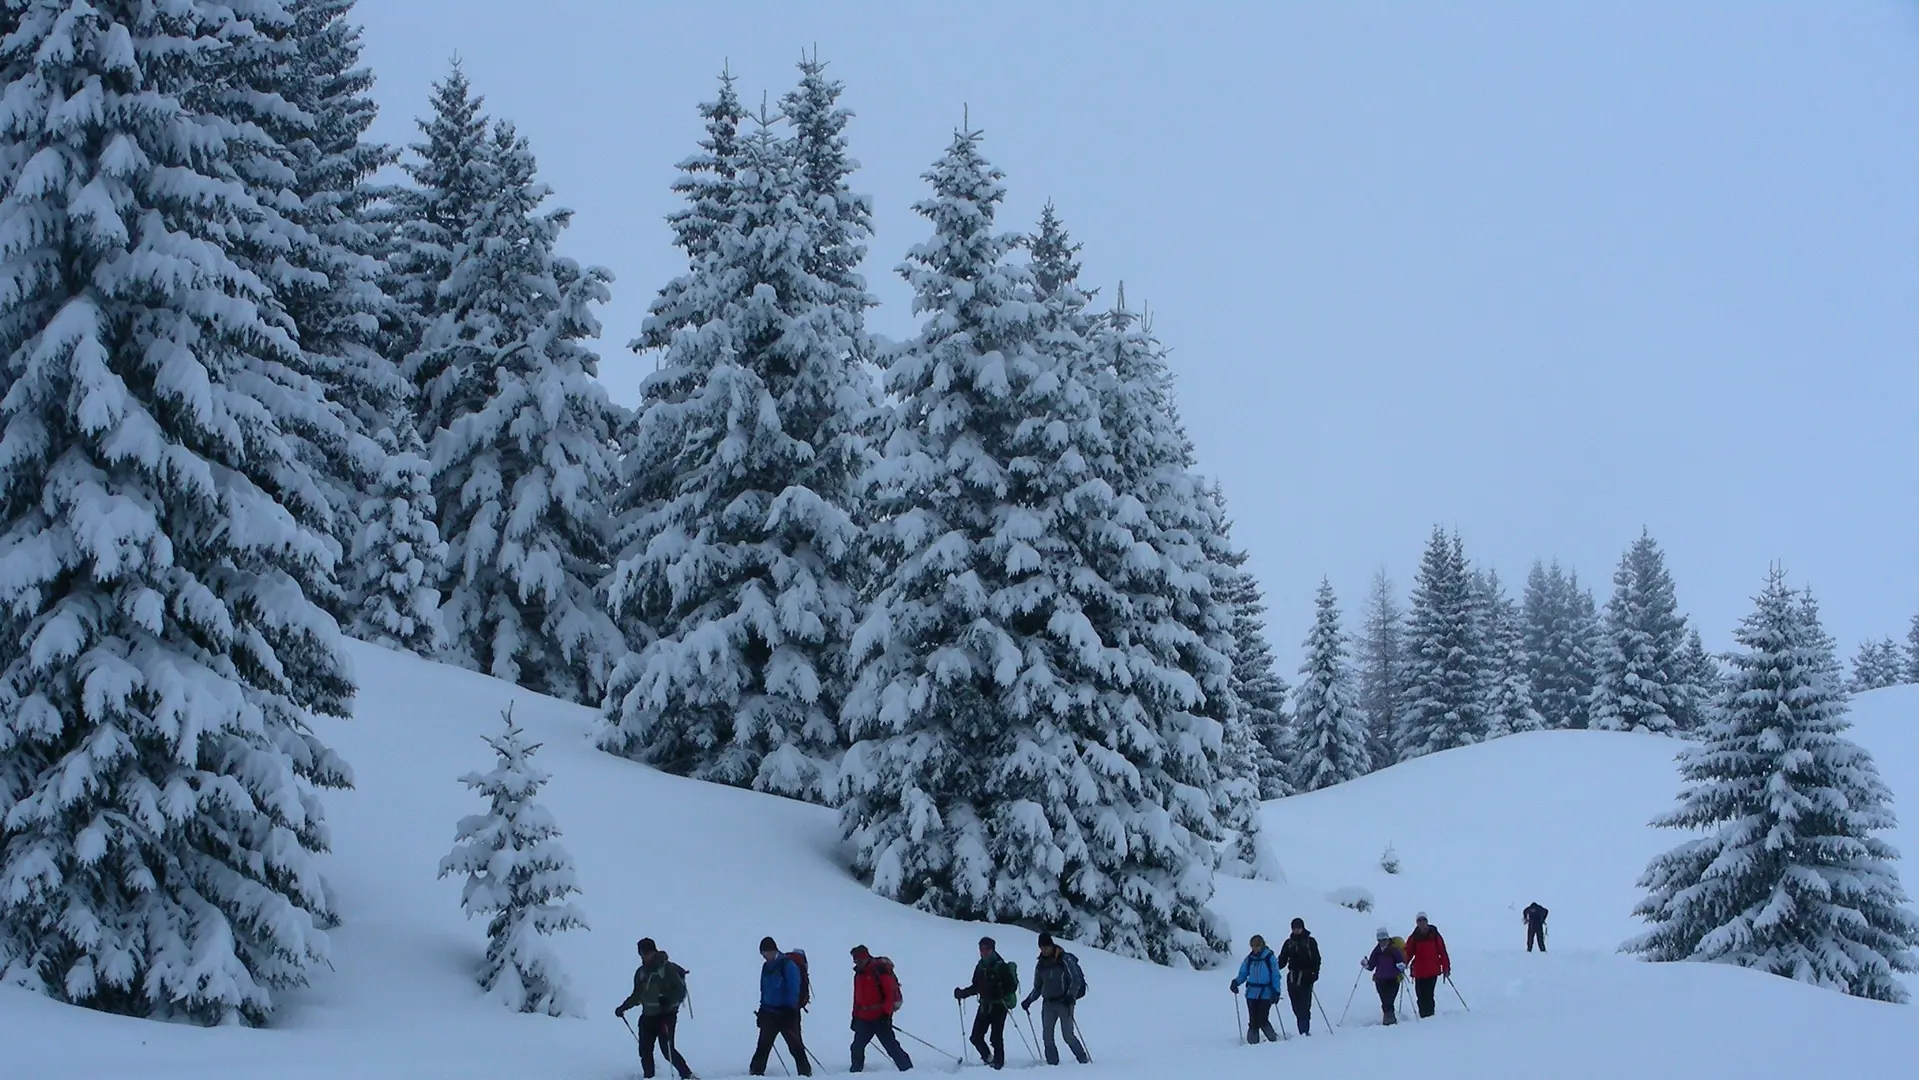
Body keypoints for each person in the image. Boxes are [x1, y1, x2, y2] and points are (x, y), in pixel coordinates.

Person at [614, 938, 695, 1080]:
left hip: (666, 1016)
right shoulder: (641, 972)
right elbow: (638, 995)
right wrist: (624, 1007)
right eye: (642, 953)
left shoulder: (667, 968)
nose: (644, 956)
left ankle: (687, 1075)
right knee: (645, 1050)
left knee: (667, 1050)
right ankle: (649, 1077)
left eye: (647, 953)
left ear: (654, 951)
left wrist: (668, 1000)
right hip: (648, 1016)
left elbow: (680, 991)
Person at [1019, 933, 1089, 1065]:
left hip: (1064, 1003)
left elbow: (1076, 979)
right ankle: (1052, 1065)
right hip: (1048, 1004)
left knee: (1067, 1036)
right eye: (1041, 947)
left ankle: (1082, 1059)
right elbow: (1038, 987)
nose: (1044, 950)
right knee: (1047, 1037)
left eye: (1046, 946)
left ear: (1052, 945)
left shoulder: (1064, 959)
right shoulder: (1041, 964)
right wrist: (1029, 1000)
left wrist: (1070, 996)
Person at [953, 936, 1016, 1070]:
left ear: (992, 949)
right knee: (975, 1037)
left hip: (999, 1005)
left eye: (986, 949)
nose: (983, 952)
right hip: (985, 1005)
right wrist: (963, 993)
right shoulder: (981, 966)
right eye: (981, 949)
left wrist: (999, 988)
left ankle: (998, 1065)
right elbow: (976, 986)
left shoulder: (1001, 966)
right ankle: (989, 1059)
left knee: (996, 1037)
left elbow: (1012, 986)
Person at [752, 936, 811, 1077]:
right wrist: (762, 1009)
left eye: (766, 953)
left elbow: (793, 988)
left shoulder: (788, 965)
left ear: (774, 950)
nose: (765, 956)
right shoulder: (766, 967)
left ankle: (805, 1073)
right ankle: (755, 1073)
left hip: (787, 1014)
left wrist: (789, 1010)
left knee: (795, 1046)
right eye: (763, 954)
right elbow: (764, 989)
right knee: (763, 1045)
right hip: (769, 1013)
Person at [849, 945, 913, 1073]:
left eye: (858, 960)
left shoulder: (879, 971)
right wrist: (855, 1016)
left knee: (891, 1046)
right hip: (864, 1018)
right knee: (856, 1046)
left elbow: (889, 993)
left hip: (880, 1016)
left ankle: (908, 1070)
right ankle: (855, 1072)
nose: (856, 962)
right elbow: (857, 998)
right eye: (855, 960)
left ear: (865, 957)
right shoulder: (858, 974)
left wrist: (886, 1014)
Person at [1229, 934, 1282, 1044]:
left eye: (1257, 946)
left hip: (1266, 993)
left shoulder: (1269, 957)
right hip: (1251, 993)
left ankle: (1273, 1040)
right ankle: (1253, 1044)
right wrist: (1236, 982)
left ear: (1262, 945)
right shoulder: (1249, 959)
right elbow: (1243, 973)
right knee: (1253, 1020)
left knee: (1262, 1019)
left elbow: (1275, 975)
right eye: (1253, 946)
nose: (1255, 948)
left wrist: (1276, 991)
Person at [1276, 917, 1322, 1035]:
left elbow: (1316, 959)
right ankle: (1302, 1029)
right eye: (1294, 928)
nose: (1296, 930)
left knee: (1305, 1005)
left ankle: (1304, 1030)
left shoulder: (1310, 942)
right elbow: (1282, 960)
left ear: (1303, 927)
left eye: (1298, 928)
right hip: (1292, 977)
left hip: (1306, 977)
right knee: (1295, 1006)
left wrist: (1315, 973)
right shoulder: (1289, 943)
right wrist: (1273, 965)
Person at [1404, 913, 1451, 1019]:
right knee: (1420, 995)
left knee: (1429, 995)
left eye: (1423, 920)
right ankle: (1424, 1016)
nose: (1421, 922)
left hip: (1432, 970)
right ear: (1417, 923)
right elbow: (1408, 953)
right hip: (1419, 971)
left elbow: (1442, 951)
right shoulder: (1414, 937)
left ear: (1427, 921)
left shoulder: (1434, 935)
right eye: (1419, 920)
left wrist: (1446, 967)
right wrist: (1403, 964)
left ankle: (1429, 1016)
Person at [1362, 928, 1406, 1026]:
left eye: (1384, 939)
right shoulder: (1377, 950)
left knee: (1389, 1000)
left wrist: (1401, 966)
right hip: (1380, 980)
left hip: (1393, 980)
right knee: (1384, 1000)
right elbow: (1371, 965)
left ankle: (1389, 1020)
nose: (1382, 942)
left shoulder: (1394, 949)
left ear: (1387, 938)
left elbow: (1401, 961)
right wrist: (1366, 964)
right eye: (1380, 940)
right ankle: (1389, 1019)